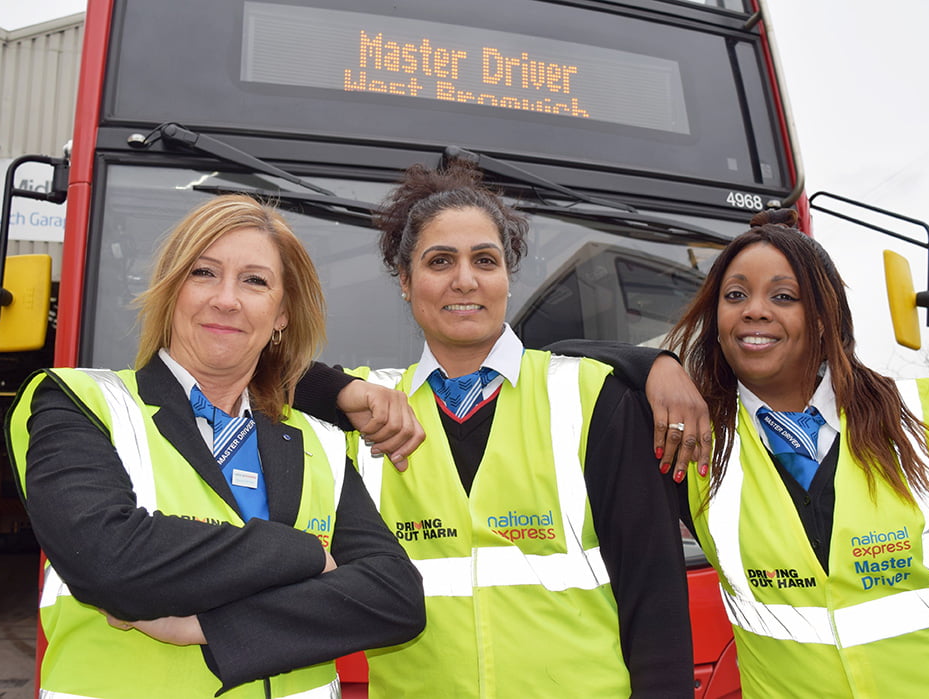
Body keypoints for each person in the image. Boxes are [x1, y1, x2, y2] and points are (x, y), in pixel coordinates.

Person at [294, 161, 699, 698]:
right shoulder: (367, 405)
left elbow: (656, 598)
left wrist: (645, 361)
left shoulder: (592, 395)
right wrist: (338, 390)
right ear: (405, 281)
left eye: (484, 260)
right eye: (440, 261)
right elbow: (242, 369)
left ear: (508, 276)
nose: (465, 279)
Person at [5, 194, 425, 698]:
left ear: (282, 314)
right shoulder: (81, 404)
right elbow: (109, 562)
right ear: (171, 290)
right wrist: (309, 555)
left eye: (255, 281)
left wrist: (208, 627)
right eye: (203, 273)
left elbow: (396, 599)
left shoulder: (321, 441)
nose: (227, 299)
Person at [659, 209, 929, 696]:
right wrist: (655, 363)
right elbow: (567, 358)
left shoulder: (915, 421)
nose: (754, 310)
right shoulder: (695, 443)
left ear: (821, 316)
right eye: (735, 295)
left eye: (783, 296)